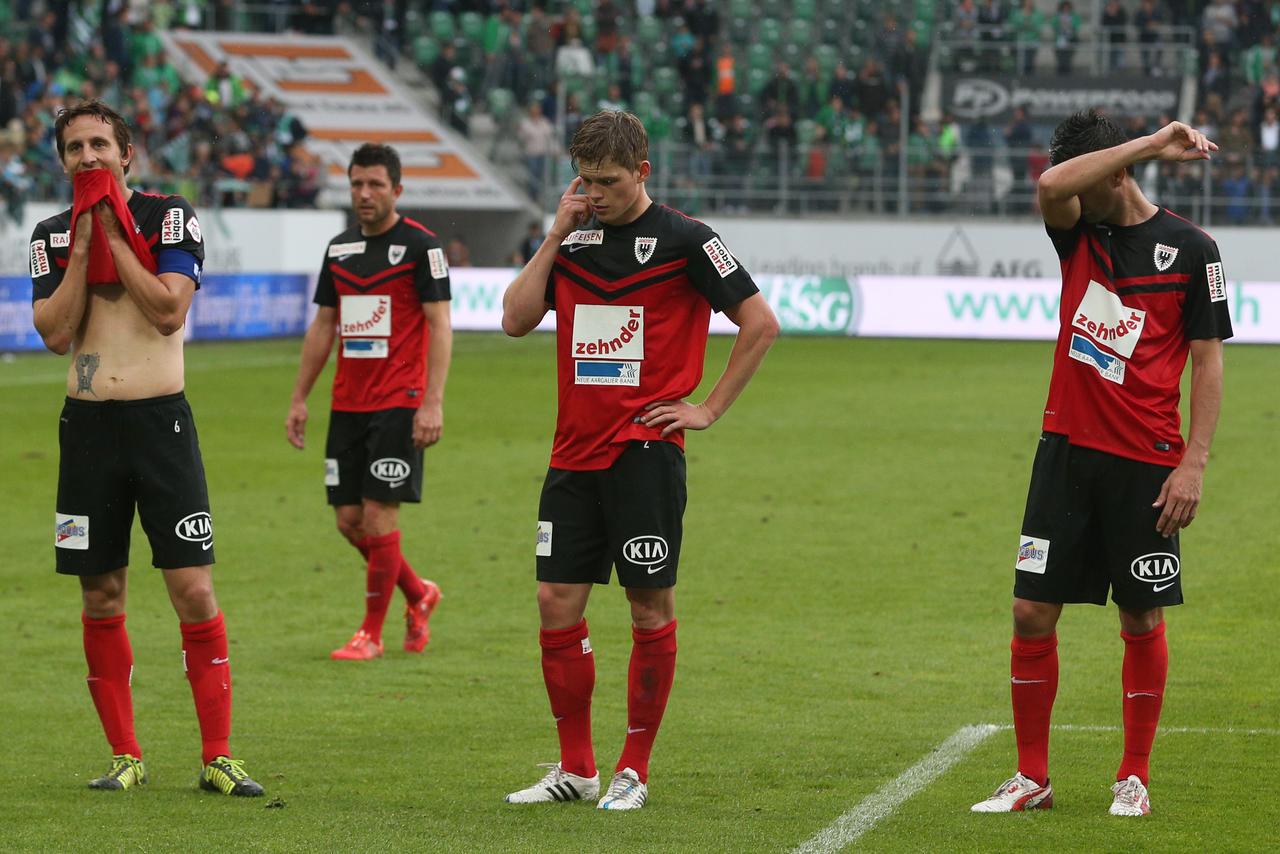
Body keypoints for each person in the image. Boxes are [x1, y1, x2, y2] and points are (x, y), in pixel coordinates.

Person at [500, 110, 779, 811]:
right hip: (572, 455)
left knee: (648, 609)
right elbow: (513, 318)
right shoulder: (574, 237)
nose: (596, 194)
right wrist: (555, 232)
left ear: (643, 173)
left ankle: (634, 768)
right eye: (586, 181)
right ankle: (576, 768)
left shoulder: (688, 240)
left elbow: (760, 322)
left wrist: (706, 408)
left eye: (610, 182)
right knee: (554, 604)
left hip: (644, 456)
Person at [971, 111, 1232, 817]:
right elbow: (1053, 184)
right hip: (1065, 451)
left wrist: (1194, 463)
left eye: (1096, 179)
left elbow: (1208, 364)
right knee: (1031, 612)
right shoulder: (1076, 232)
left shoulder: (1192, 249)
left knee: (1142, 618)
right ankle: (1033, 777)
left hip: (1147, 463)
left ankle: (1134, 776)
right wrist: (1153, 142)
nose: (1076, 197)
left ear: (1117, 175)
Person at [29, 99, 264, 797]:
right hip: (87, 435)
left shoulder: (169, 216)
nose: (89, 157)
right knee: (100, 593)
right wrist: (82, 235)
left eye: (100, 143)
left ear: (127, 154)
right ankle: (125, 755)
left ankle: (218, 754)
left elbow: (167, 311)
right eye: (75, 148)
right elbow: (53, 332)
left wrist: (111, 228)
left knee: (192, 588)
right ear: (63, 160)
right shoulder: (49, 234)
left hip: (162, 427)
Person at [286, 143, 449, 661]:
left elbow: (440, 325)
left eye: (376, 184)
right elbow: (323, 327)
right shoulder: (338, 250)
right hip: (348, 402)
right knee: (349, 521)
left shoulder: (423, 247)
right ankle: (419, 593)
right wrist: (299, 398)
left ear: (396, 190)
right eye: (357, 183)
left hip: (399, 401)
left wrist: (432, 402)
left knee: (379, 517)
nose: (364, 193)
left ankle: (371, 634)